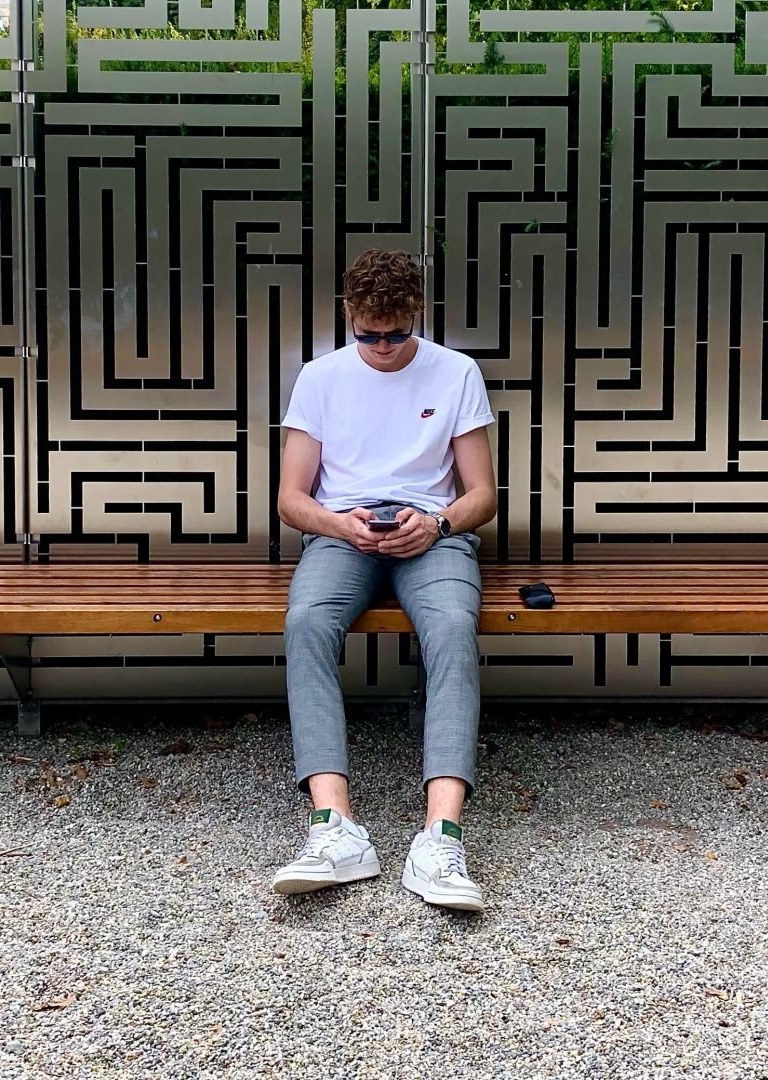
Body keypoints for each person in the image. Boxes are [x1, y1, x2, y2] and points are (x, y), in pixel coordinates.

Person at [271, 249, 497, 911]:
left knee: (452, 628)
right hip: (343, 532)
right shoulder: (321, 378)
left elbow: (482, 494)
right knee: (307, 621)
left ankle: (442, 837)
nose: (383, 347)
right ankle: (333, 827)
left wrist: (438, 523)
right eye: (369, 335)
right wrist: (341, 525)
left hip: (432, 533)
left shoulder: (456, 372)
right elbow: (290, 498)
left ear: (417, 313)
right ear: (349, 314)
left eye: (397, 333)